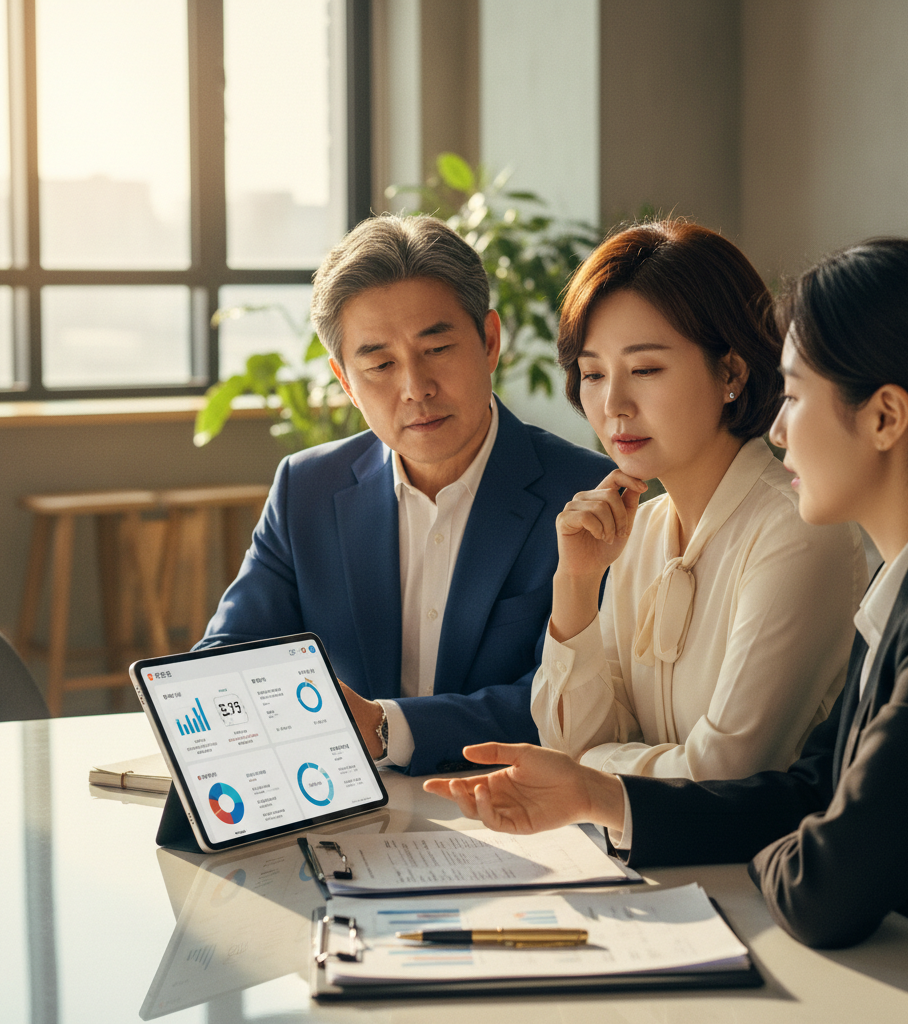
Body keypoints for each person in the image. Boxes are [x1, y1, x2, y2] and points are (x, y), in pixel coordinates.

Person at [425, 237, 908, 963]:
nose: (780, 431)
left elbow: (814, 864)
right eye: (592, 374)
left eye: (793, 397)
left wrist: (620, 784)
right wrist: (600, 788)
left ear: (884, 418)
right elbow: (805, 793)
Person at [197, 214, 612, 775]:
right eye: (380, 364)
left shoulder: (586, 494)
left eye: (437, 349)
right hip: (345, 812)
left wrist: (386, 727)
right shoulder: (306, 490)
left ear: (489, 341)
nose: (415, 389)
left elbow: (575, 700)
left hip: (516, 813)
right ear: (345, 380)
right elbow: (228, 660)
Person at [532, 220, 865, 780]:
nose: (613, 403)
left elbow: (724, 771)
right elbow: (567, 746)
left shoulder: (796, 528)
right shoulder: (637, 532)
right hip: (644, 863)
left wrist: (591, 769)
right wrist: (577, 582)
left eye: (645, 369)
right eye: (592, 373)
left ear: (731, 370)